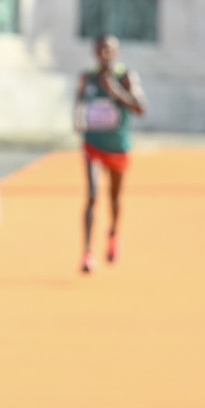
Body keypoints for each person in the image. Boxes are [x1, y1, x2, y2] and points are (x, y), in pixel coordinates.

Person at [73, 33, 145, 274]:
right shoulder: (87, 77)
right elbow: (79, 103)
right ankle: (87, 253)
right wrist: (79, 119)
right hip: (93, 144)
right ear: (95, 52)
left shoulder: (125, 76)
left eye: (109, 50)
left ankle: (113, 234)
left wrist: (115, 91)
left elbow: (140, 107)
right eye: (101, 49)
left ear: (116, 52)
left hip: (117, 146)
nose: (105, 54)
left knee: (114, 197)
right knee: (92, 194)